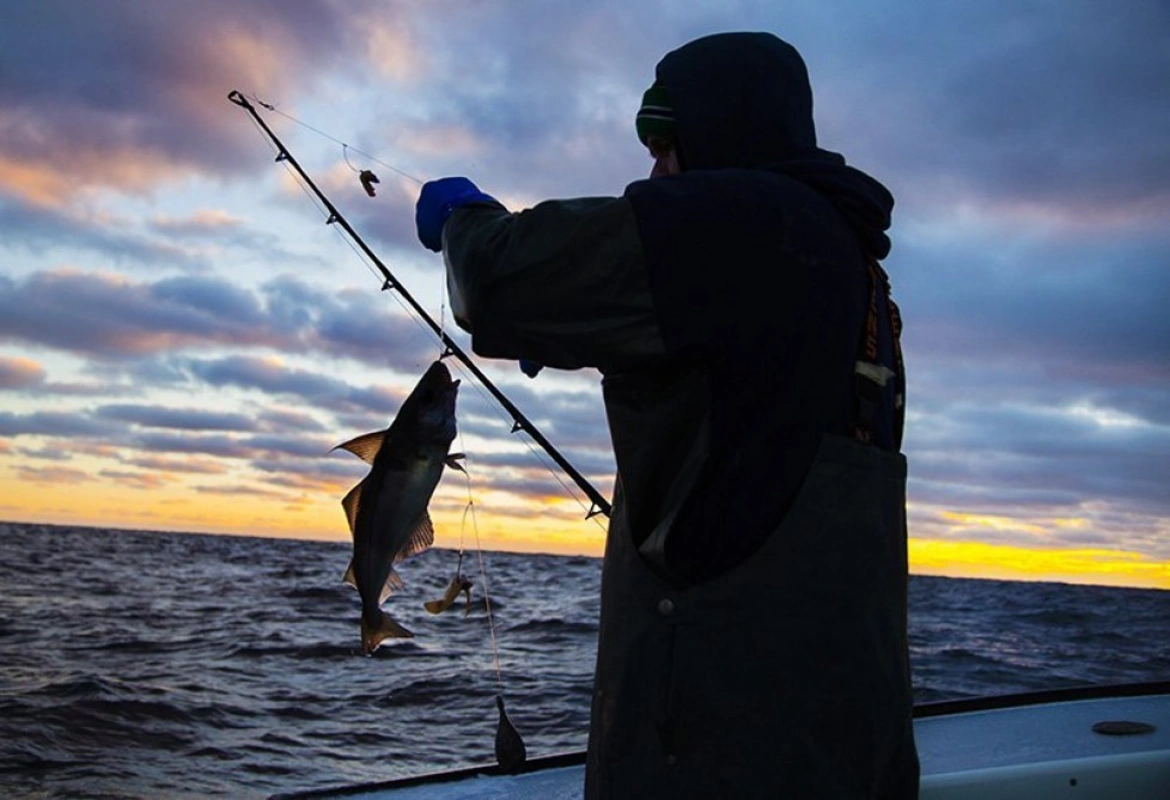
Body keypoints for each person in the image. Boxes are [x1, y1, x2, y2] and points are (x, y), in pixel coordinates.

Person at [415, 31, 918, 799]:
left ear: (721, 127)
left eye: (667, 143)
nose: (654, 170)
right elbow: (746, 423)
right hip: (842, 746)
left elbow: (494, 280)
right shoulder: (851, 269)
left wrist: (464, 218)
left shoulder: (741, 218)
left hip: (715, 755)